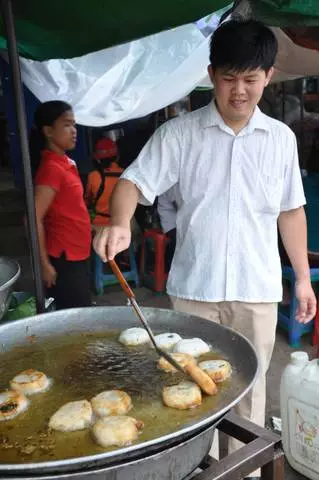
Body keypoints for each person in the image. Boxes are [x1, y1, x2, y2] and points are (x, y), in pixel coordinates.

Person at [93, 19, 316, 475]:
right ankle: (198, 466)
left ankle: (244, 472)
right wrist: (119, 222)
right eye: (230, 78)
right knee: (186, 387)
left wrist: (303, 280)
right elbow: (133, 182)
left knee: (249, 390)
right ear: (212, 74)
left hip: (256, 287)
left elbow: (290, 211)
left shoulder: (281, 140)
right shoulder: (179, 134)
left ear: (268, 77)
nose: (239, 91)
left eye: (251, 80)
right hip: (195, 288)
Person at [30, 100, 92, 310]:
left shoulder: (66, 163)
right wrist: (44, 264)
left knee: (81, 312)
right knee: (75, 319)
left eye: (74, 124)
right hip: (64, 259)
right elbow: (32, 218)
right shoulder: (51, 168)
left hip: (78, 253)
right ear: (48, 131)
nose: (74, 131)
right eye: (67, 125)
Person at [85, 137, 123, 226]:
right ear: (117, 157)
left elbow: (87, 200)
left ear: (97, 159)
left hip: (98, 225)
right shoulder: (126, 174)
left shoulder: (93, 176)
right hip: (120, 225)